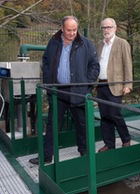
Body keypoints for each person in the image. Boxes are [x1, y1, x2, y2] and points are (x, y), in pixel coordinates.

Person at [29, 16, 100, 165]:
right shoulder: (53, 42)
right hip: (57, 92)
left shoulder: (85, 43)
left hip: (78, 92)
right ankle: (46, 156)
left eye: (75, 29)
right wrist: (48, 81)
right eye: (69, 30)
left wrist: (86, 84)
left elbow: (94, 66)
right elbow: (46, 61)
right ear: (62, 28)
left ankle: (85, 152)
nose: (73, 33)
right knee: (53, 125)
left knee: (82, 124)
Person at [96, 18, 132, 152]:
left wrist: (128, 84)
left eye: (109, 27)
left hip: (116, 85)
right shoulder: (99, 44)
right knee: (104, 115)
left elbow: (127, 64)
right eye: (104, 27)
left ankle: (126, 138)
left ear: (115, 28)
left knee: (115, 114)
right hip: (101, 85)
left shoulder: (122, 43)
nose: (106, 30)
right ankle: (109, 143)